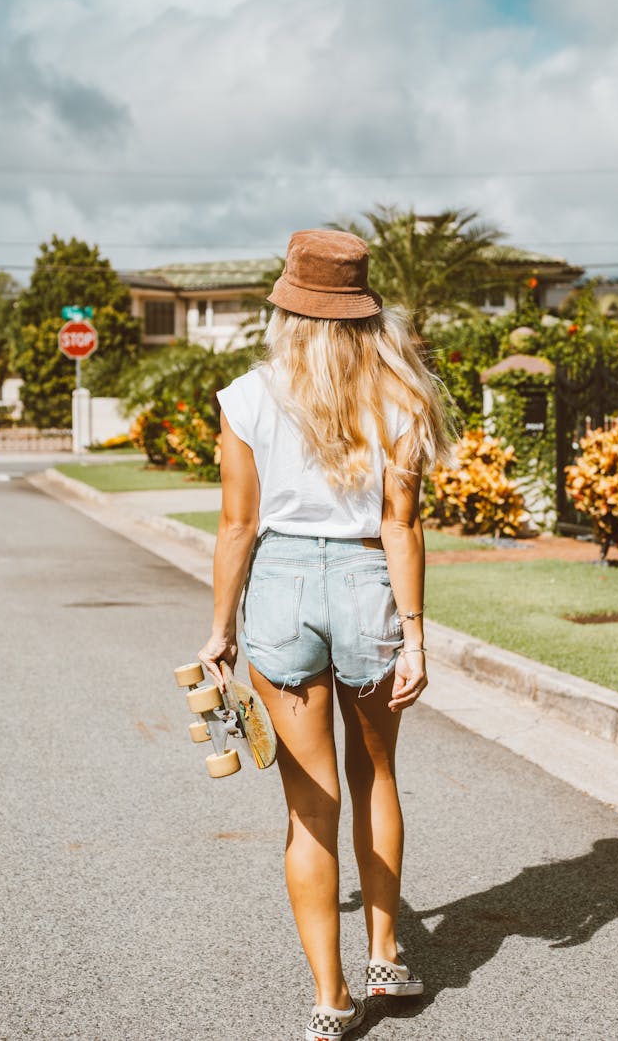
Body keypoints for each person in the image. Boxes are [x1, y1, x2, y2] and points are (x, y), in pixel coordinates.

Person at [198, 228, 452, 1041]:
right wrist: (414, 638)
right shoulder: (402, 395)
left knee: (310, 806)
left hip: (278, 594)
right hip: (367, 584)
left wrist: (217, 633)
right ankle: (384, 952)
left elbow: (237, 527)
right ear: (363, 312)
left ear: (288, 309)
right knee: (376, 774)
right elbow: (401, 526)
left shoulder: (246, 396)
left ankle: (330, 999)